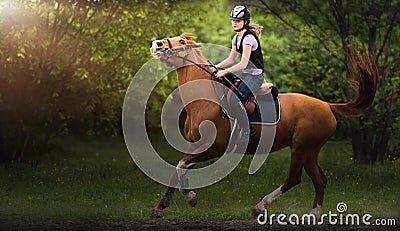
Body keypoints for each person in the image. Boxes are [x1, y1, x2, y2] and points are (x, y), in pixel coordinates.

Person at [213, 5, 265, 143]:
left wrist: (223, 72)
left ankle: (247, 133)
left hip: (255, 76)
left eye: (238, 20)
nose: (234, 23)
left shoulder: (248, 39)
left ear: (245, 22)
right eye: (233, 20)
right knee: (225, 97)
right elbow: (231, 59)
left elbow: (242, 63)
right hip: (245, 74)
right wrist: (215, 67)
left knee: (235, 100)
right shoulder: (236, 38)